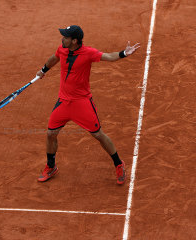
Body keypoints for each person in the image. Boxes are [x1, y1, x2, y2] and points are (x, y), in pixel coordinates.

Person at [36, 25, 140, 184]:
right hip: (63, 102)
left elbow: (108, 57)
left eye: (66, 37)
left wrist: (123, 53)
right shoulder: (62, 49)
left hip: (81, 102)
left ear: (75, 40)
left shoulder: (88, 53)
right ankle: (51, 166)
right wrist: (43, 70)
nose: (62, 39)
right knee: (51, 134)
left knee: (98, 134)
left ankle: (119, 163)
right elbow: (54, 58)